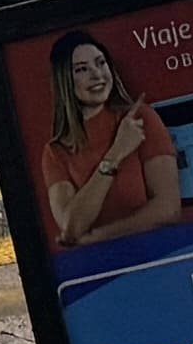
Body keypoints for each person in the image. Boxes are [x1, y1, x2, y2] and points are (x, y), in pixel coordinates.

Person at [40, 35, 180, 249]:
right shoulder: (56, 152)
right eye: (82, 69)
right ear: (65, 81)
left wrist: (101, 236)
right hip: (97, 272)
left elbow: (168, 208)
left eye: (100, 63)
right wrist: (116, 153)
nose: (96, 74)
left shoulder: (140, 119)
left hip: (155, 256)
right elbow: (72, 228)